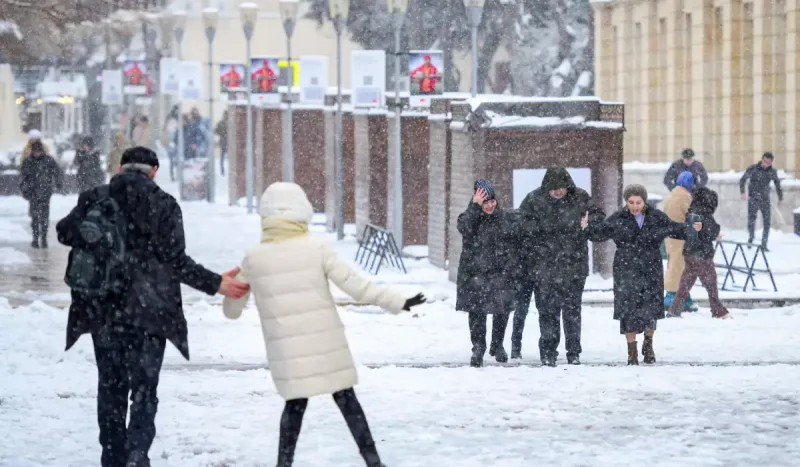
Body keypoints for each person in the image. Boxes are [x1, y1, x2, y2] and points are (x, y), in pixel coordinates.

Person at [55, 146, 249, 467]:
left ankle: (113, 455)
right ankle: (137, 453)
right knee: (144, 390)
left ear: (120, 168)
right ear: (154, 171)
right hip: (151, 312)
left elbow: (64, 232)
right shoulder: (165, 205)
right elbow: (177, 262)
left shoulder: (95, 198)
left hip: (104, 311)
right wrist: (216, 283)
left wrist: (92, 231)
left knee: (111, 388)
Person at [221, 182, 425, 467]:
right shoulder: (316, 248)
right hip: (326, 346)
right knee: (346, 399)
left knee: (294, 405)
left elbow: (232, 312)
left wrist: (228, 286)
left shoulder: (254, 259)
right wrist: (397, 301)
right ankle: (374, 462)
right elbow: (356, 286)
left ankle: (284, 464)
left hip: (289, 352)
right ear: (301, 211)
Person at [516, 167, 605, 366]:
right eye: (553, 188)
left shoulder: (580, 197)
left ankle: (573, 352)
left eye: (561, 188)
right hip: (544, 266)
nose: (558, 192)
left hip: (573, 266)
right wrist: (541, 235)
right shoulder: (533, 200)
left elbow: (599, 215)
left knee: (572, 312)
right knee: (548, 311)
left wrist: (588, 223)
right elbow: (522, 225)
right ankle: (548, 351)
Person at [591, 185, 686, 365]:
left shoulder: (656, 217)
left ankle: (648, 344)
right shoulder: (618, 218)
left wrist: (694, 228)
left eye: (638, 202)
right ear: (626, 202)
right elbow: (599, 233)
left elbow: (675, 229)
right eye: (631, 202)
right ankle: (631, 351)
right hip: (626, 269)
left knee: (651, 308)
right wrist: (585, 226)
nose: (635, 206)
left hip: (651, 268)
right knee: (628, 310)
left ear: (644, 201)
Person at [456, 179, 520, 367]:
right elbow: (464, 227)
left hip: (501, 273)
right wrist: (474, 207)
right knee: (477, 312)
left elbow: (515, 240)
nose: (490, 205)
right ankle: (478, 347)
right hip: (476, 273)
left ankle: (497, 344)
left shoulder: (505, 218)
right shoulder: (469, 218)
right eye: (485, 202)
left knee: (502, 310)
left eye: (492, 201)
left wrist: (511, 266)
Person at [668, 187, 732, 320]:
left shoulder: (692, 212)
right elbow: (712, 231)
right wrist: (713, 230)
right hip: (702, 255)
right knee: (711, 283)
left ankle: (674, 310)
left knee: (686, 284)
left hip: (690, 254)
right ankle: (718, 310)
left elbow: (691, 231)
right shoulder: (704, 215)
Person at [663, 171, 698, 312]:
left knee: (676, 265)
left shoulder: (670, 196)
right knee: (679, 267)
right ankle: (672, 297)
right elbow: (693, 216)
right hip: (683, 237)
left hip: (670, 237)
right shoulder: (685, 198)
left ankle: (683, 296)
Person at [19, 140, 63, 248]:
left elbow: (57, 171)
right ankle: (35, 238)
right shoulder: (28, 161)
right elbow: (23, 177)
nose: (37, 153)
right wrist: (24, 189)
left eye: (38, 151)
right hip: (33, 192)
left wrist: (58, 182)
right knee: (34, 216)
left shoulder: (48, 160)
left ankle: (43, 238)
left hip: (45, 192)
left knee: (44, 216)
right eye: (35, 151)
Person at [740, 152, 783, 251]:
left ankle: (764, 244)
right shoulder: (753, 168)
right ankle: (751, 238)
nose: (766, 164)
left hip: (765, 199)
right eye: (765, 161)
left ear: (771, 162)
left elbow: (777, 184)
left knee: (767, 222)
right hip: (753, 198)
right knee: (751, 220)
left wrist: (780, 196)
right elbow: (742, 180)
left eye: (768, 162)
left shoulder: (772, 171)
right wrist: (743, 192)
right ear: (762, 159)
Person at [215, 110, 228, 175]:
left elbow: (215, 131)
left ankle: (222, 171)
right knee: (223, 158)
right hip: (226, 142)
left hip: (224, 142)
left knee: (222, 158)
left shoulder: (221, 123)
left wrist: (221, 134)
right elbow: (215, 131)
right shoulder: (228, 123)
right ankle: (223, 171)